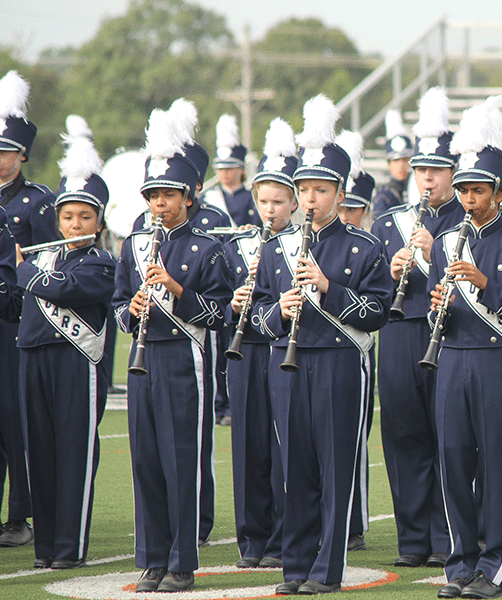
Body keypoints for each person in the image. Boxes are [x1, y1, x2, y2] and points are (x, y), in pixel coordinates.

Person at [251, 95, 391, 595]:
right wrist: (279, 311)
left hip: (337, 363)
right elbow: (256, 320)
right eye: (303, 190)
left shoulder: (366, 246)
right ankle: (295, 568)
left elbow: (377, 314)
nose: (310, 199)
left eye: (320, 190)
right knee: (297, 471)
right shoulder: (275, 247)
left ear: (340, 192)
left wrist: (329, 288)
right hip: (287, 367)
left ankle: (326, 571)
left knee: (334, 472)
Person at [427, 96, 502, 599]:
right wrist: (438, 307)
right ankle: (460, 566)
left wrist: (485, 286)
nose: (469, 199)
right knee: (454, 462)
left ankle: (494, 568)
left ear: (499, 193)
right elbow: (440, 310)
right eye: (464, 190)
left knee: (495, 466)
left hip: (497, 360)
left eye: (478, 190)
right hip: (451, 358)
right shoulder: (443, 242)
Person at [112, 108, 233, 593]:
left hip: (187, 360)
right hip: (143, 362)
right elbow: (118, 304)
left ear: (188, 197)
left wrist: (176, 290)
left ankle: (183, 561)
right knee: (145, 461)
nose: (159, 204)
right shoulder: (133, 245)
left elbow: (219, 312)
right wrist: (134, 308)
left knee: (181, 459)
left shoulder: (207, 247)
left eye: (168, 195)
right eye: (153, 196)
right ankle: (152, 557)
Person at [15, 116, 116, 569]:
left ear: (99, 219)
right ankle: (45, 548)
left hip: (76, 365)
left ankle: (69, 549)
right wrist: (28, 272)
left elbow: (62, 290)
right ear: (57, 219)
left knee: (74, 453)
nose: (75, 223)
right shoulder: (47, 256)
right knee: (40, 453)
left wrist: (23, 271)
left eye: (85, 216)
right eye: (68, 215)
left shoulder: (101, 260)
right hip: (33, 360)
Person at [371, 86, 463, 570]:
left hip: (449, 333)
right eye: (421, 169)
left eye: (437, 170)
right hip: (402, 330)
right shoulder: (390, 222)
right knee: (404, 434)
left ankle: (446, 536)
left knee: (446, 435)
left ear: (453, 173)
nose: (426, 177)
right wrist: (392, 270)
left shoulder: (468, 220)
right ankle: (412, 538)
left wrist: (431, 257)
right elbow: (372, 292)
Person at [224, 118, 296, 570]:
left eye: (278, 202)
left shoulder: (300, 246)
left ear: (293, 203)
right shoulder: (237, 247)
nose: (270, 210)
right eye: (263, 201)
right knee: (248, 444)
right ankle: (252, 539)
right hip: (245, 351)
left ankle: (283, 539)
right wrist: (234, 303)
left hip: (284, 353)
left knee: (283, 447)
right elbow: (214, 306)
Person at [0, 70, 57, 548]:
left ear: (22, 155)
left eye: (6, 153)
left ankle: (20, 516)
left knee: (15, 418)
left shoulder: (39, 202)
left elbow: (50, 261)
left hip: (17, 322)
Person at [335, 129, 377, 552]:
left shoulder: (369, 245)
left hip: (355, 345)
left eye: (354, 209)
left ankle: (355, 520)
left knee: (354, 432)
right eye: (342, 207)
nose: (347, 215)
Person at [203, 114, 261, 228]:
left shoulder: (253, 198)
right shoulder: (207, 198)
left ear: (241, 169)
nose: (224, 172)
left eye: (229, 168)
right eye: (220, 169)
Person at [372, 109, 413, 218]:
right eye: (396, 161)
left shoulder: (418, 189)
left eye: (405, 160)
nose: (401, 165)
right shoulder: (384, 195)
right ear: (389, 164)